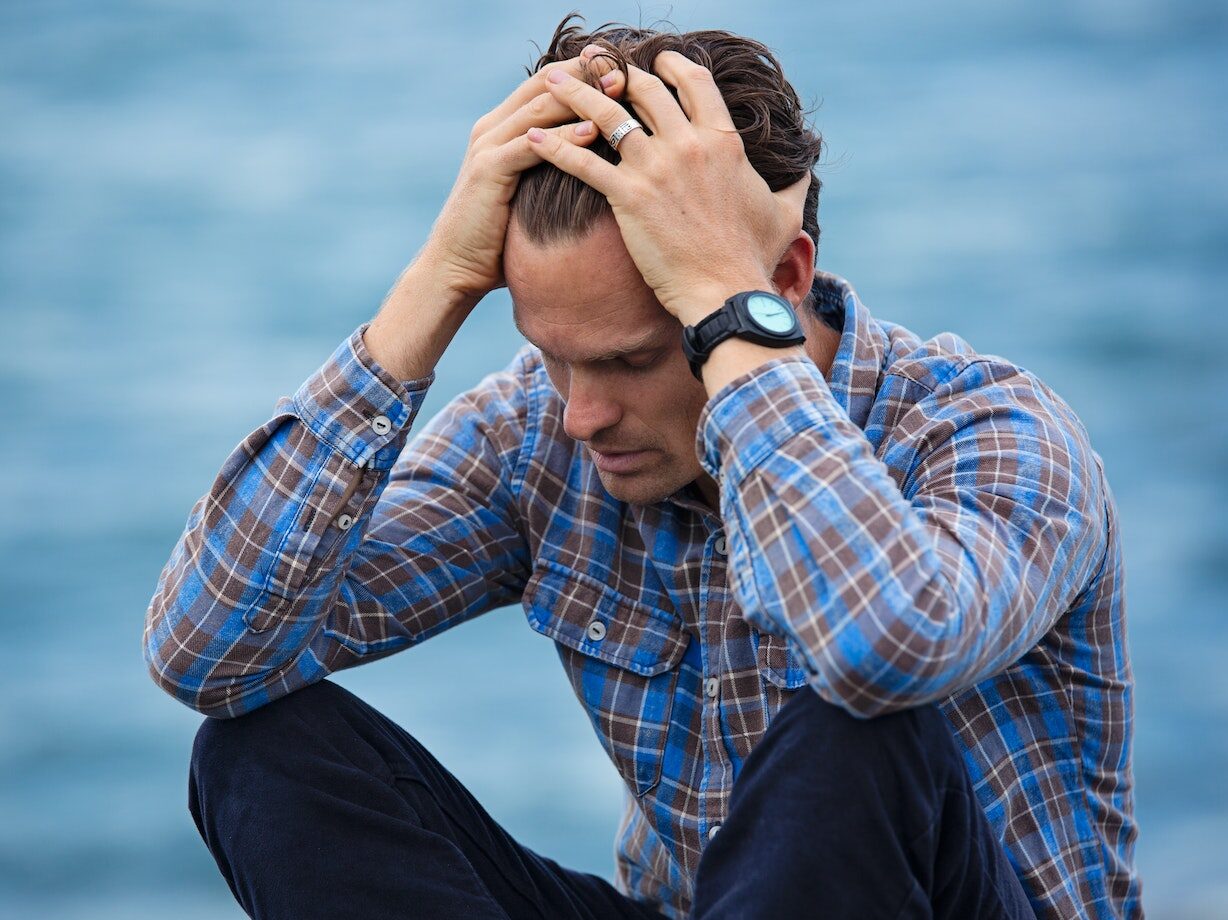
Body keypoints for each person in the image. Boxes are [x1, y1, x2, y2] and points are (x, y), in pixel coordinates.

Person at [143, 14, 1142, 920]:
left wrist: (722, 299)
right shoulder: (540, 434)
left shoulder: (991, 430)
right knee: (261, 752)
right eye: (549, 351)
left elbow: (879, 644)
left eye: (629, 358)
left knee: (857, 727)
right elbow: (209, 652)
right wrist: (436, 286)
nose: (580, 411)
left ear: (781, 281)